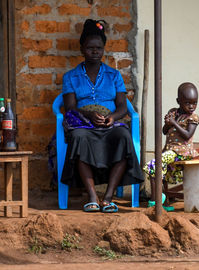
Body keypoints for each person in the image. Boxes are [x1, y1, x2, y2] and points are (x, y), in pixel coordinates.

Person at [60, 19, 144, 213]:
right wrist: (89, 114)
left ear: (103, 49)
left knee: (123, 137)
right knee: (78, 138)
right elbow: (70, 107)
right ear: (82, 49)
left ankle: (108, 197)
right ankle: (92, 197)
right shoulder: (70, 77)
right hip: (83, 123)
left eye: (99, 48)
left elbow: (123, 106)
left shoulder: (114, 75)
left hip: (109, 123)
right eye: (90, 48)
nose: (95, 52)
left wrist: (113, 117)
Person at [143, 82, 199, 211]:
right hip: (169, 151)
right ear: (178, 101)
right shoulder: (173, 112)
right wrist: (168, 123)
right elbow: (164, 131)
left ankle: (155, 199)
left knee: (154, 165)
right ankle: (163, 202)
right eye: (187, 103)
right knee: (155, 169)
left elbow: (187, 135)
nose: (192, 106)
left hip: (182, 152)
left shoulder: (193, 117)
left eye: (195, 103)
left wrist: (174, 123)